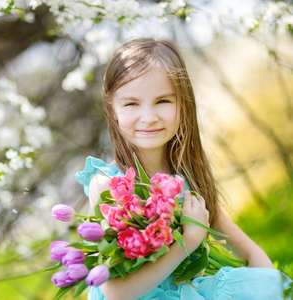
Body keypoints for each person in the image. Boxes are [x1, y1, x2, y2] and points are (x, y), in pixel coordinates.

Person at [75, 38, 291, 300]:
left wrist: (273, 289)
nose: (149, 117)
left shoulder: (185, 178)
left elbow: (248, 250)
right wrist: (187, 243)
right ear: (112, 109)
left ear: (183, 104)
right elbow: (115, 293)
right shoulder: (109, 185)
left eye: (163, 101)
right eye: (132, 104)